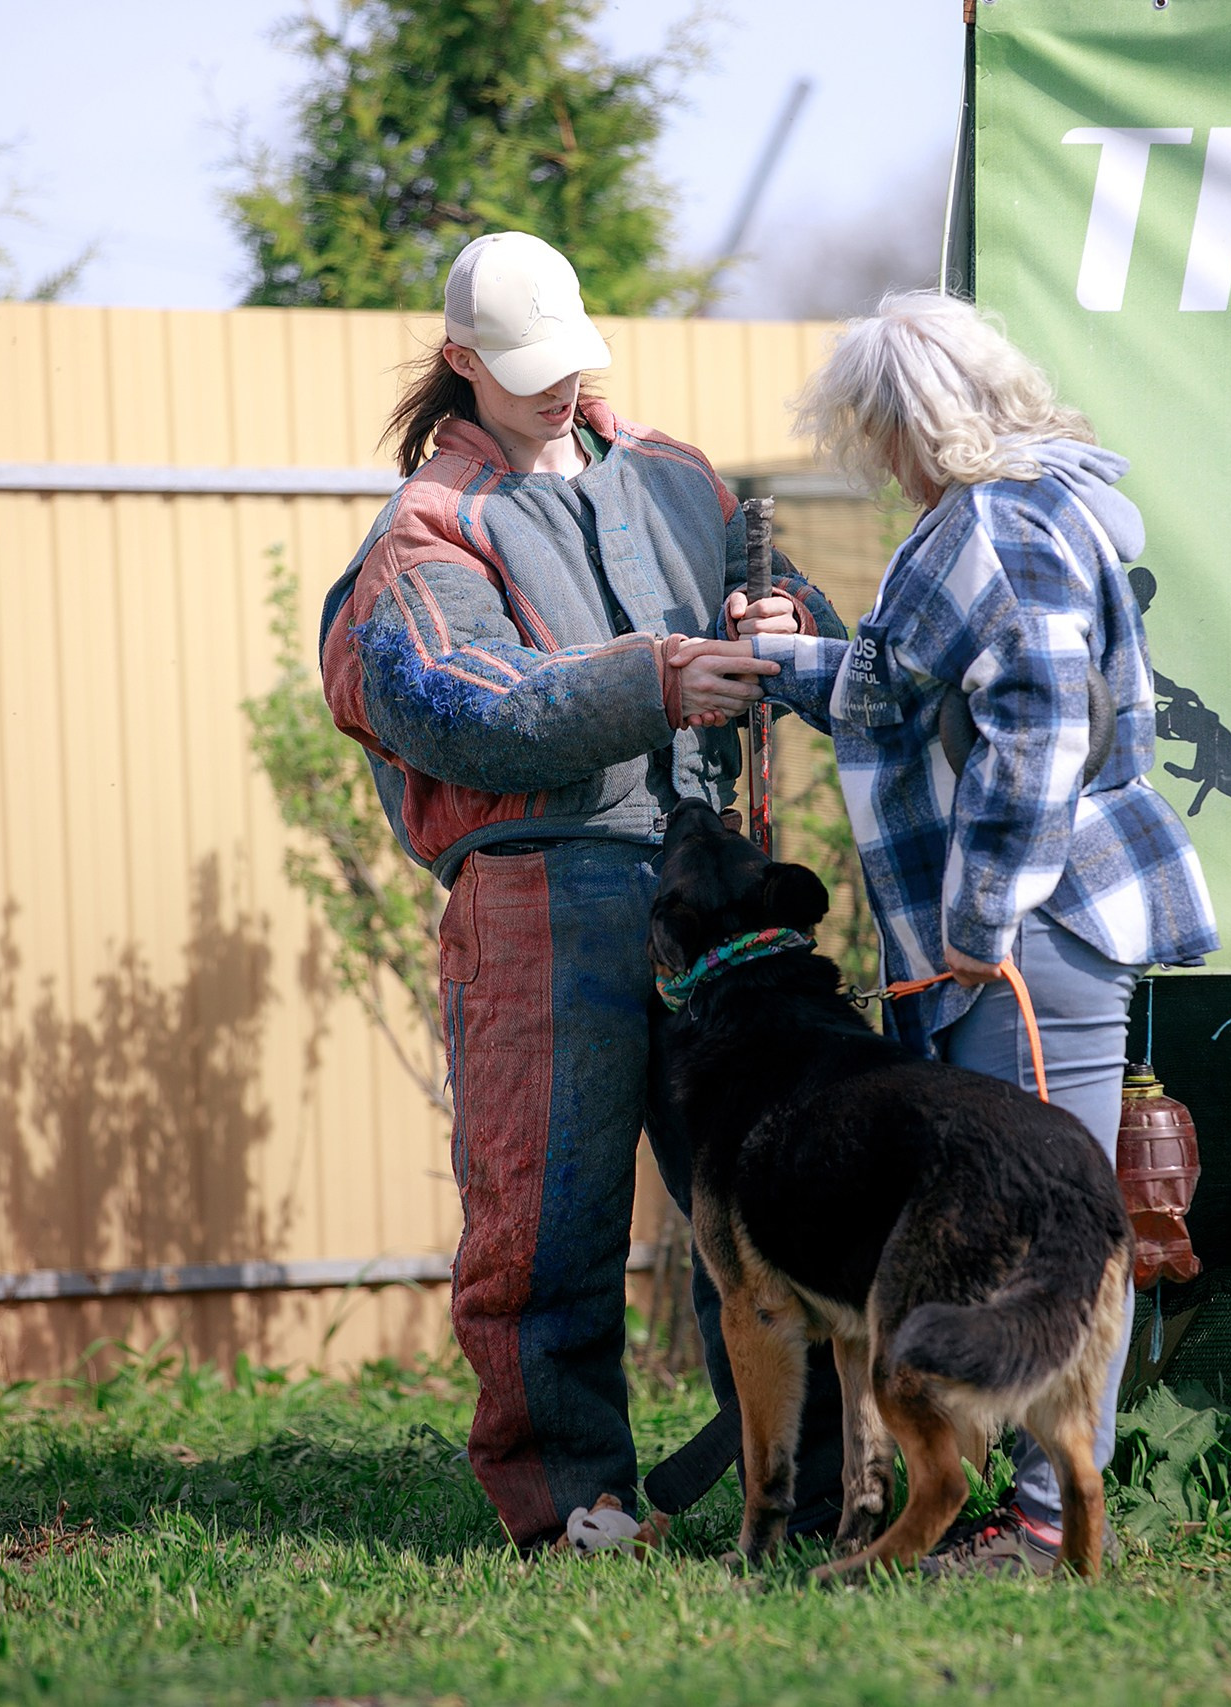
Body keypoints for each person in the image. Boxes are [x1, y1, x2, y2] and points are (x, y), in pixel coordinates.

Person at [318, 231, 847, 1553]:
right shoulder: (426, 535)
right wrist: (656, 679)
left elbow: (779, 593)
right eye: (525, 370)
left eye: (573, 361)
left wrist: (786, 617)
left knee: (781, 1186)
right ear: (459, 365)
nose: (560, 388)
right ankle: (568, 1496)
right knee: (544, 1211)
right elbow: (464, 707)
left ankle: (823, 1474)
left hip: (709, 885)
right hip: (540, 899)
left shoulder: (674, 474)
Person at [709, 290, 1221, 1574]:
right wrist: (791, 664)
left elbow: (1042, 724)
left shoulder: (995, 524)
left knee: (1040, 1246)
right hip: (1008, 933)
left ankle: (1040, 1528)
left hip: (1022, 936)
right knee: (1018, 1231)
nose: (873, 457)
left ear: (913, 420)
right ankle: (1025, 1515)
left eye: (876, 430)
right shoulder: (1013, 513)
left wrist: (980, 921)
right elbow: (900, 692)